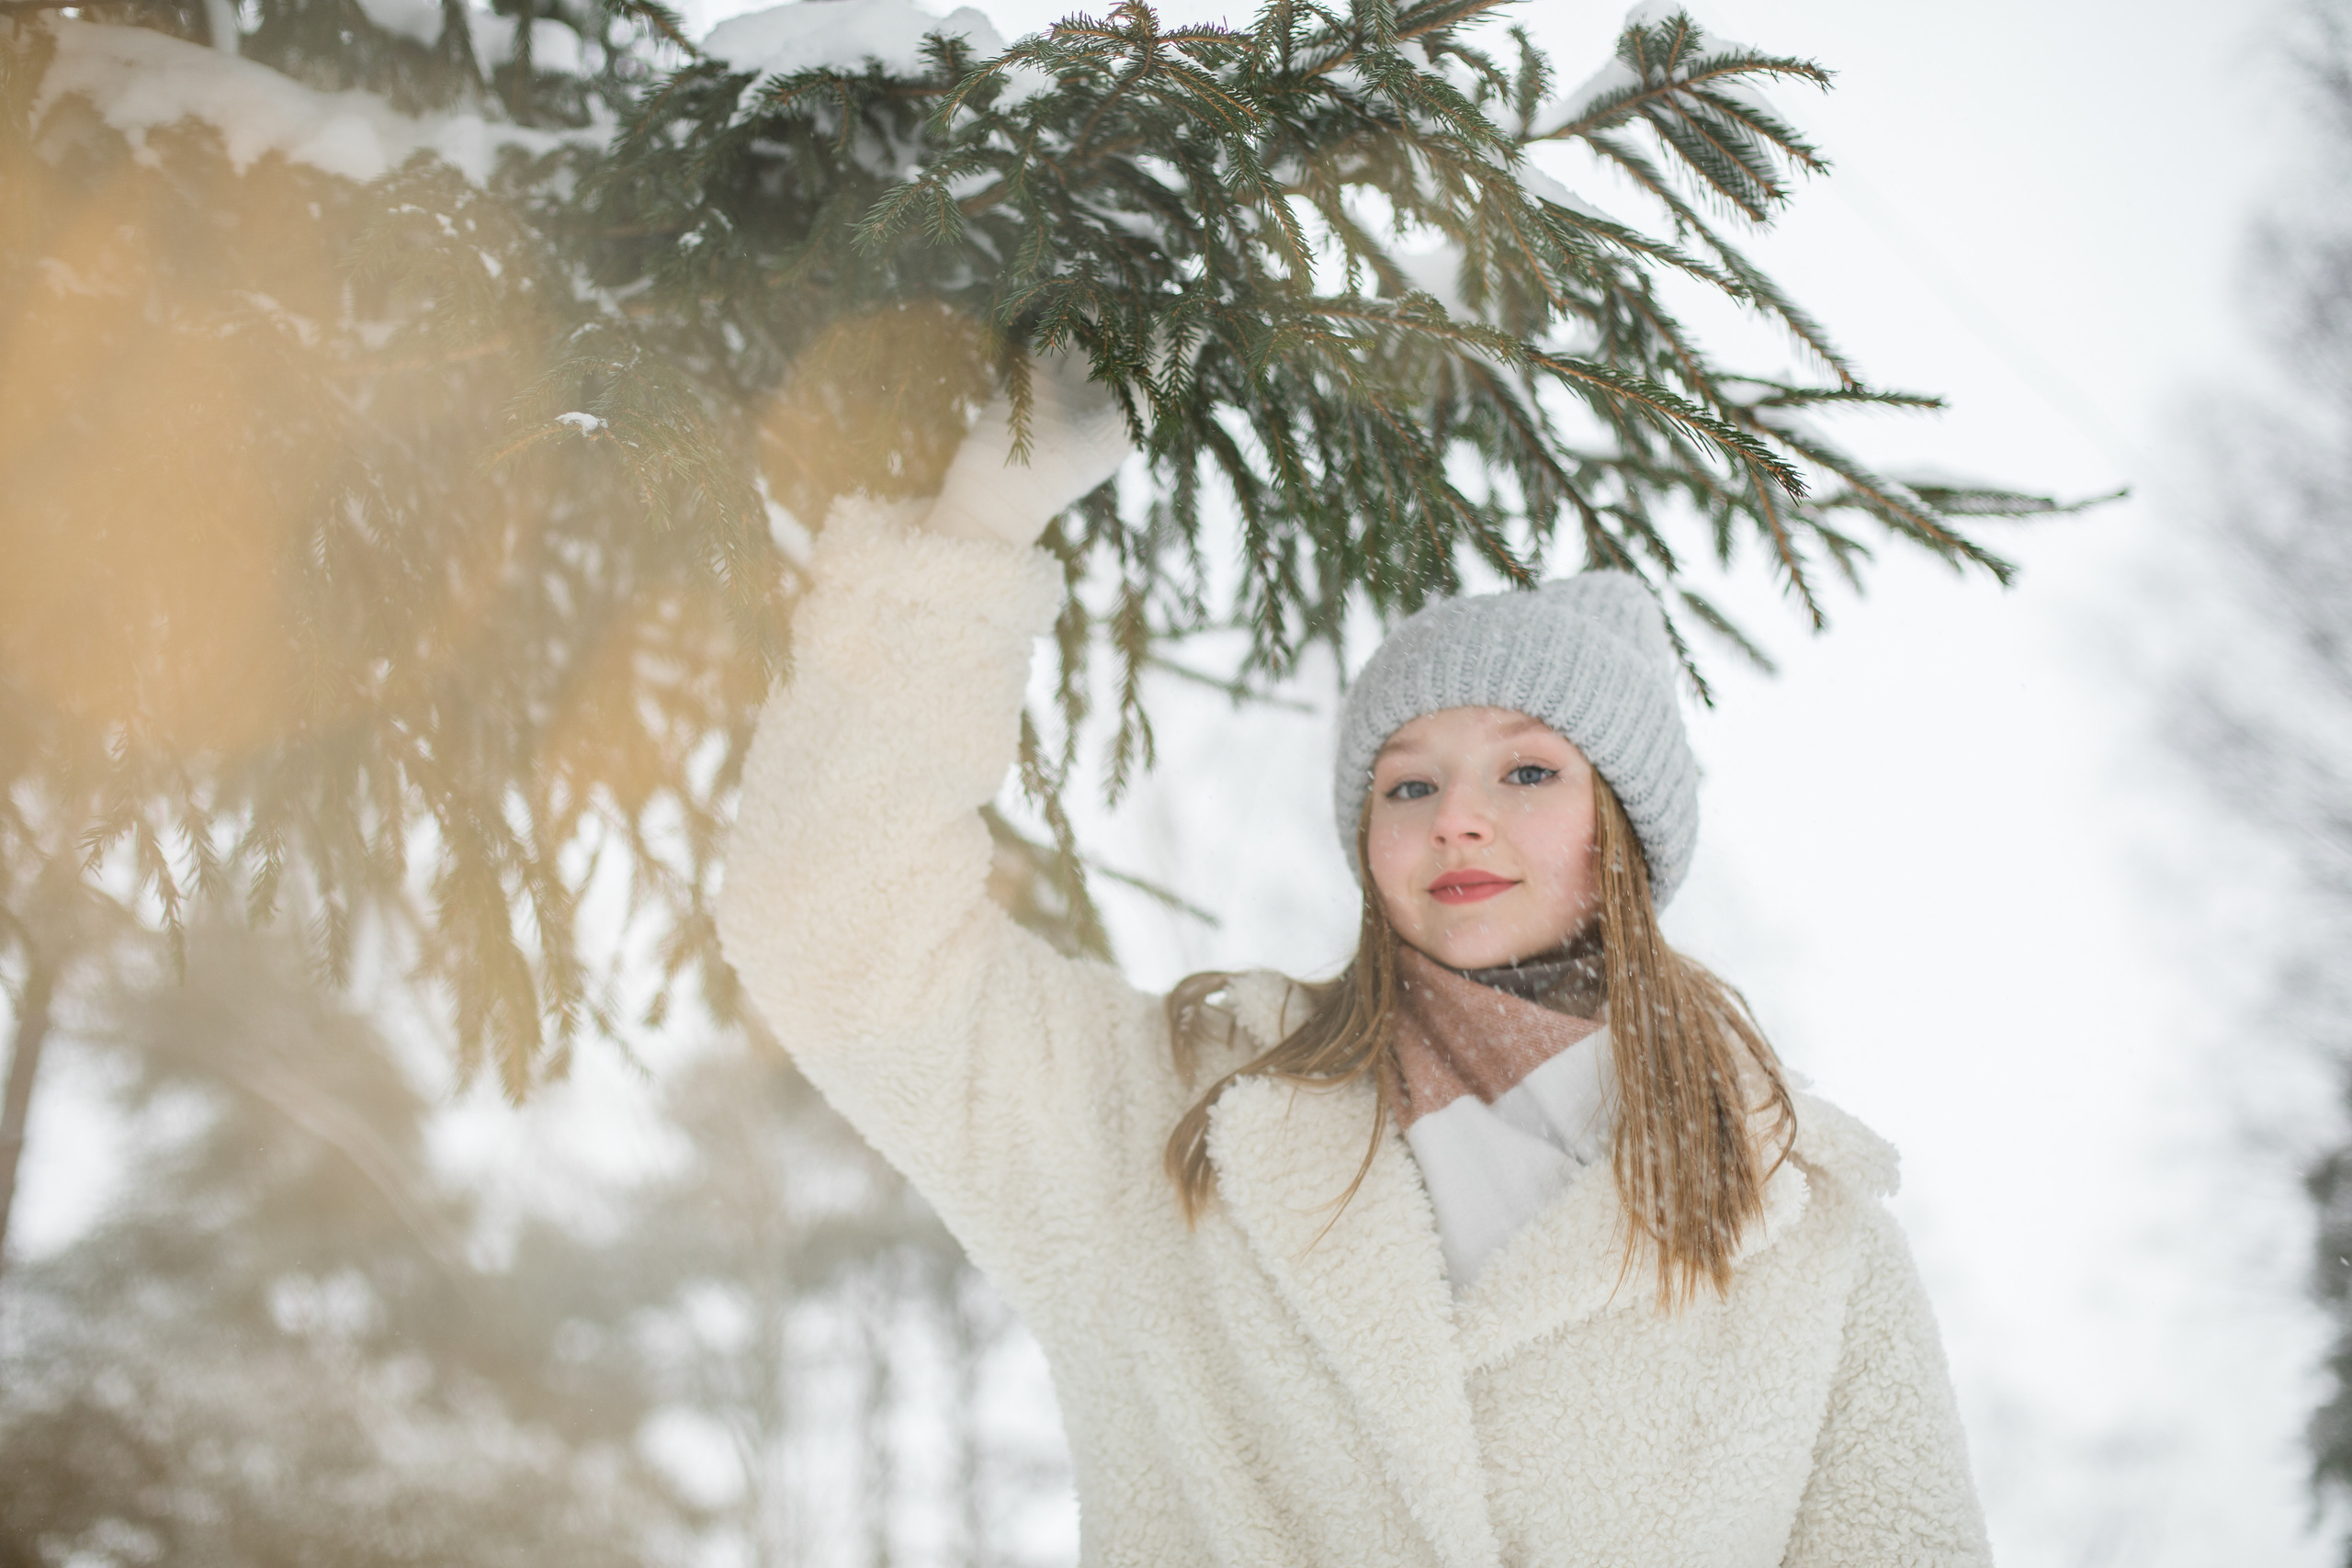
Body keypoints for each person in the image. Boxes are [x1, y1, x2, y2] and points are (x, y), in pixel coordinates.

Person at [717, 354, 1993, 1567]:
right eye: (1409, 783)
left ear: (1625, 841)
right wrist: (977, 529)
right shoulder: (1178, 1123)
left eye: (1529, 771)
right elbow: (834, 929)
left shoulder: (1809, 1241)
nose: (1457, 817)